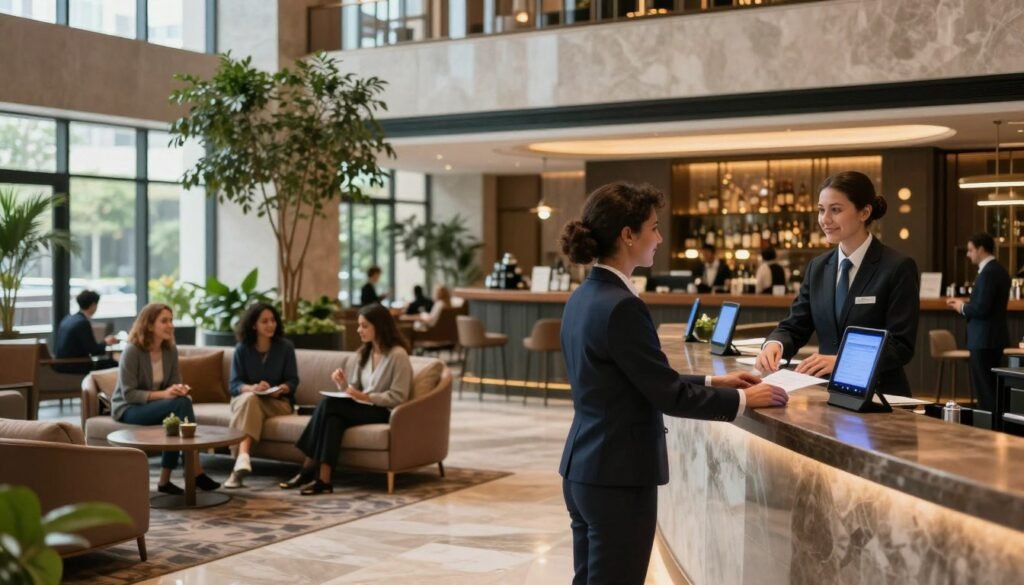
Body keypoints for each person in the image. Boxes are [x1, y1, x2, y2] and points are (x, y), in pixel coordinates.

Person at [558, 181, 788, 585]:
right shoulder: (623, 306)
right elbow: (668, 394)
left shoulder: (584, 296)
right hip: (619, 477)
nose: (660, 237)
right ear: (628, 235)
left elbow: (632, 378)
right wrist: (742, 399)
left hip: (584, 470)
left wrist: (714, 378)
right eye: (653, 227)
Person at [755, 171, 920, 396]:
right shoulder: (818, 268)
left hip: (880, 397)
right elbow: (795, 325)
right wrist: (774, 344)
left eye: (836, 210)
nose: (825, 220)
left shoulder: (897, 267)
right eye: (821, 210)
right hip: (827, 394)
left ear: (864, 212)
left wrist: (843, 361)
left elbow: (900, 346)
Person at [282, 304, 413, 495]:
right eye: (359, 325)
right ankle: (324, 480)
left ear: (380, 326)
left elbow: (399, 396)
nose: (359, 330)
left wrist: (366, 397)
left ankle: (307, 467)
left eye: (364, 326)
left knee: (328, 405)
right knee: (332, 419)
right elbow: (355, 389)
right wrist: (343, 385)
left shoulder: (397, 355)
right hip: (361, 407)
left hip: (383, 411)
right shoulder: (364, 353)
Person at [110, 303, 220, 494]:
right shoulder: (132, 351)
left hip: (161, 406)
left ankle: (166, 481)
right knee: (179, 406)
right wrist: (165, 394)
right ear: (150, 325)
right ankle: (193, 470)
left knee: (179, 408)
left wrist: (178, 389)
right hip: (130, 408)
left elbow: (174, 383)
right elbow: (129, 394)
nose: (170, 325)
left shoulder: (170, 350)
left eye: (171, 320)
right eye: (164, 321)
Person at [224, 303, 300, 489]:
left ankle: (241, 460)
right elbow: (234, 385)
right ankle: (242, 460)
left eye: (273, 320)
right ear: (253, 325)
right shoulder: (242, 349)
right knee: (250, 400)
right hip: (248, 399)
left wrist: (281, 388)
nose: (270, 325)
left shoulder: (285, 347)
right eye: (264, 321)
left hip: (278, 403)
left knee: (249, 402)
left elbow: (293, 381)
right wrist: (252, 388)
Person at [947, 233, 1010, 411]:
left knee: (986, 391)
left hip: (984, 339)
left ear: (981, 249)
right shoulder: (999, 270)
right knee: (991, 389)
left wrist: (962, 307)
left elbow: (982, 308)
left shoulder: (989, 272)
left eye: (970, 250)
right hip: (992, 338)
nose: (968, 254)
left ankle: (989, 431)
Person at [53, 289, 119, 373]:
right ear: (93, 305)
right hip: (75, 365)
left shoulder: (68, 319)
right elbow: (94, 351)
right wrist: (106, 342)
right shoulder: (82, 323)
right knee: (114, 364)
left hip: (63, 364)